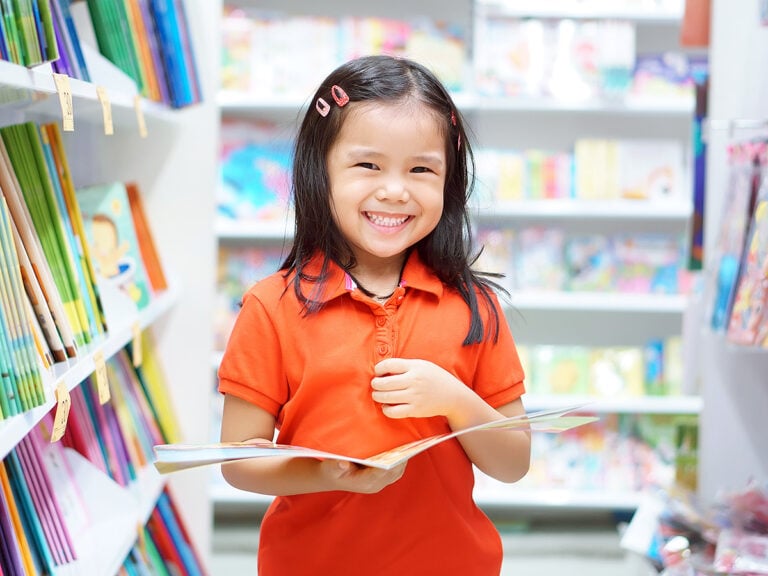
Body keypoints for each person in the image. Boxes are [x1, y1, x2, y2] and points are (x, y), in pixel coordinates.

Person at [217, 54, 531, 575]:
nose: (395, 189)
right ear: (321, 169)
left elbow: (513, 463)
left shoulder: (475, 307)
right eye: (368, 165)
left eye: (422, 169)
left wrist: (454, 399)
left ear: (450, 182)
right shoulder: (271, 306)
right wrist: (326, 473)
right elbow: (236, 459)